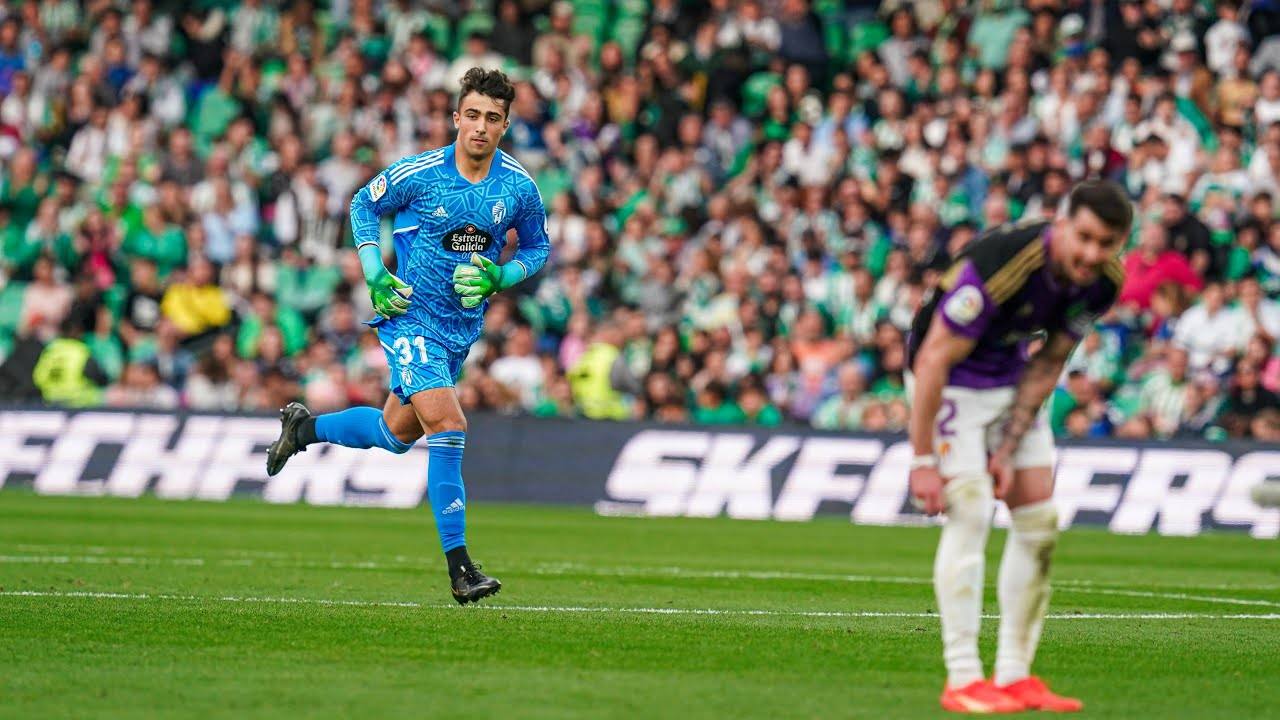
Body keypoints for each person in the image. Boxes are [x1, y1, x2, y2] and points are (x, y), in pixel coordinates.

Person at [265, 68, 550, 605]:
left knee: (396, 434)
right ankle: (461, 568)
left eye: (493, 118)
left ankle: (303, 430)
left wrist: (500, 275)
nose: (481, 128)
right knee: (449, 424)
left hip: (459, 331)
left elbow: (536, 248)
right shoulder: (421, 172)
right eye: (472, 115)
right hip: (409, 316)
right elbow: (361, 204)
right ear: (456, 118)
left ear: (506, 125)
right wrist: (374, 272)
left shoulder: (518, 188)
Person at [906, 180, 1132, 714]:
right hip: (950, 381)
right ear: (1062, 222)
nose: (1093, 254)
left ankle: (1013, 676)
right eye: (1085, 238)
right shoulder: (1000, 265)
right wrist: (921, 461)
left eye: (1107, 244)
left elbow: (1050, 362)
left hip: (1009, 383)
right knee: (970, 511)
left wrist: (1005, 450)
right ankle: (962, 678)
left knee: (1039, 521)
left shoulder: (1102, 282)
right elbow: (933, 358)